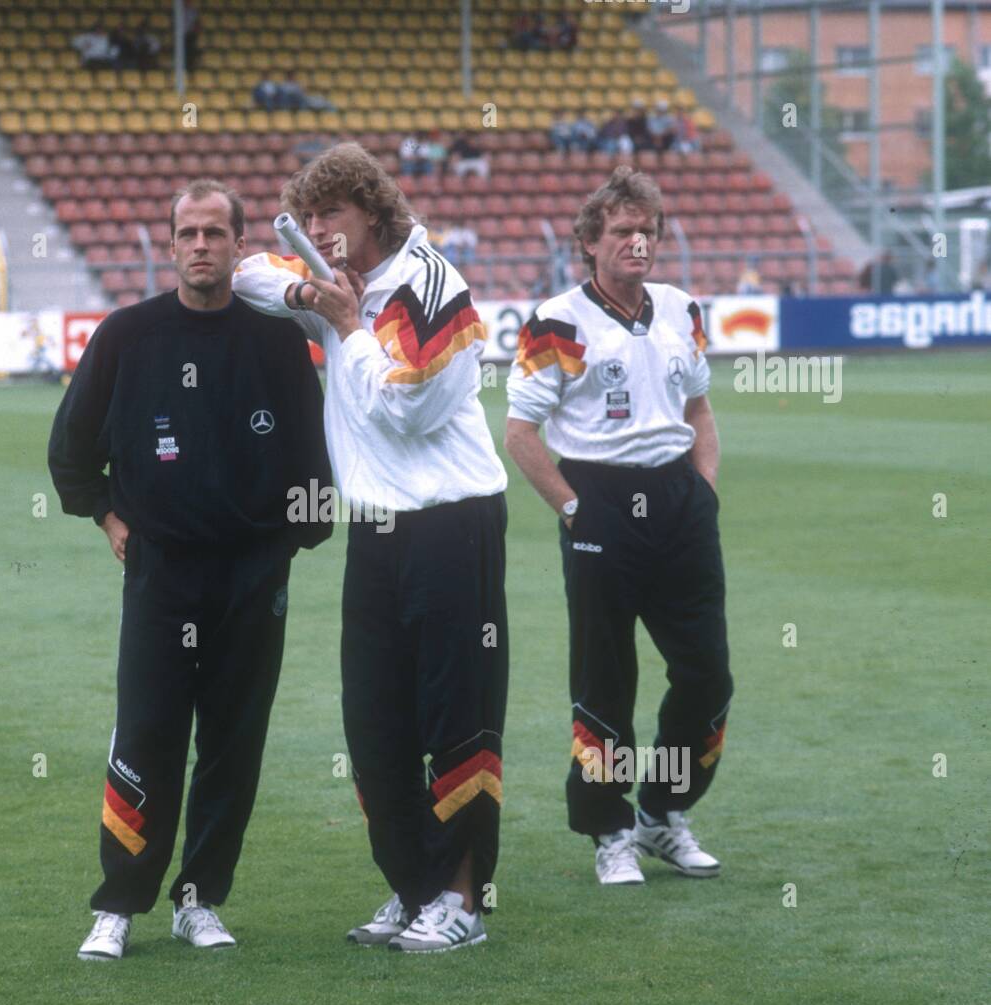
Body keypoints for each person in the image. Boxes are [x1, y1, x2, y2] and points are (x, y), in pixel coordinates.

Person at [232, 143, 508, 953]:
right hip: (377, 532)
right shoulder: (331, 276)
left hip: (452, 525)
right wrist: (304, 289)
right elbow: (249, 269)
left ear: (375, 214)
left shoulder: (431, 287)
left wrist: (345, 323)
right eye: (310, 217)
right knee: (374, 723)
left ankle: (461, 900)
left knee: (457, 718)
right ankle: (415, 883)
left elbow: (408, 414)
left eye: (333, 215)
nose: (319, 229)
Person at [49, 180, 333, 961]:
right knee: (147, 732)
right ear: (170, 244)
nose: (202, 245)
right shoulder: (127, 336)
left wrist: (285, 547)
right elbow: (71, 450)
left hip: (252, 576)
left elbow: (315, 458)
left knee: (234, 742)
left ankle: (200, 897)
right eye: (188, 232)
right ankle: (119, 903)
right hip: (161, 574)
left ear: (242, 246)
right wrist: (112, 519)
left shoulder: (277, 341)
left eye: (216, 232)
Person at [504, 166, 732, 887]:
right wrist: (574, 509)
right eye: (623, 231)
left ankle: (664, 813)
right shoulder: (556, 321)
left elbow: (699, 411)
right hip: (599, 498)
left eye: (648, 231)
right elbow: (520, 432)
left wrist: (701, 491)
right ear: (589, 244)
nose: (639, 242)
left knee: (706, 674)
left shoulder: (680, 308)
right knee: (606, 681)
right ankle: (609, 828)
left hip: (677, 502)